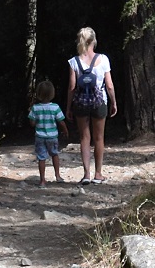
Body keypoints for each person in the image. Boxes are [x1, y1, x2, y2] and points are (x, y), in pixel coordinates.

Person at [64, 26, 116, 183]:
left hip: (80, 103)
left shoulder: (74, 62)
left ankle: (86, 174)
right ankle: (98, 174)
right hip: (99, 102)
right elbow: (109, 86)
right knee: (99, 138)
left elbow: (72, 87)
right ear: (94, 41)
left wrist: (68, 107)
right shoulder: (103, 59)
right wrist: (113, 102)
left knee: (84, 138)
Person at [28, 80, 66, 184]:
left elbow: (32, 123)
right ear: (52, 93)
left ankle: (42, 180)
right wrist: (65, 131)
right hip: (52, 136)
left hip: (40, 136)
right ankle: (58, 176)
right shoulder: (55, 107)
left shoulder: (35, 108)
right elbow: (61, 121)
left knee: (41, 158)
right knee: (54, 154)